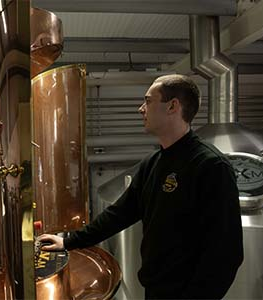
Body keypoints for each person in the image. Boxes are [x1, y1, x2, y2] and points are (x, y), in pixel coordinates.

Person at [38, 74, 243, 299]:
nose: (140, 108)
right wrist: (69, 241)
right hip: (154, 290)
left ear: (172, 106)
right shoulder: (153, 163)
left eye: (148, 101)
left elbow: (226, 254)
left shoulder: (210, 166)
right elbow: (119, 214)